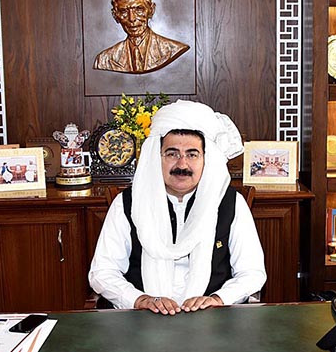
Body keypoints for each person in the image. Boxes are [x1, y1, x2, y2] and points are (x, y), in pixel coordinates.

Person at [89, 100, 266, 315]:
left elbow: (252, 272)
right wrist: (139, 299)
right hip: (142, 320)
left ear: (205, 160)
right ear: (157, 157)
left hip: (212, 321)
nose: (182, 165)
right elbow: (102, 272)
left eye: (192, 154)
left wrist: (219, 299)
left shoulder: (230, 203)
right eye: (172, 154)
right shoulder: (128, 202)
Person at [93, 0, 190, 74]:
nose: (132, 18)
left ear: (151, 10)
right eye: (124, 11)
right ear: (115, 15)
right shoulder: (105, 59)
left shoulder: (172, 49)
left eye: (139, 9)